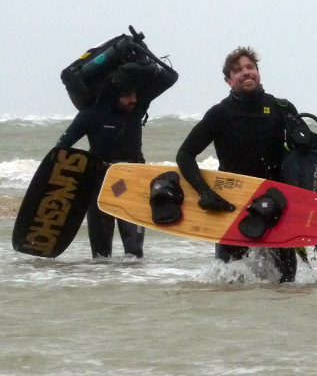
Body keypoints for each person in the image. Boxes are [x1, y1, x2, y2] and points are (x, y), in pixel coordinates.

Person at [176, 46, 301, 283]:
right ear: (229, 81)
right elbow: (185, 154)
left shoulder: (280, 109)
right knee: (228, 282)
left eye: (250, 67)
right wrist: (205, 192)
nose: (246, 72)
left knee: (287, 285)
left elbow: (302, 158)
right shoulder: (220, 113)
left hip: (276, 204)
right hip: (232, 204)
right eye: (238, 70)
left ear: (258, 71)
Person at [57, 63, 178, 258]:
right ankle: (101, 285)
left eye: (135, 94)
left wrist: (137, 61)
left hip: (133, 182)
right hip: (99, 183)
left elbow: (171, 77)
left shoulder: (137, 107)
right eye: (128, 96)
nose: (134, 99)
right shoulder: (91, 114)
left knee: (135, 253)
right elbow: (62, 147)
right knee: (100, 255)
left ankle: (131, 285)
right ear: (113, 95)